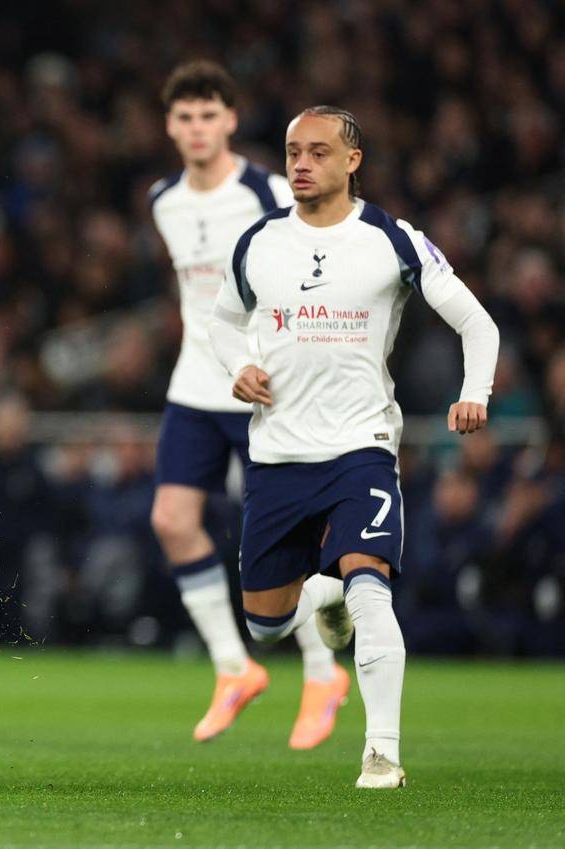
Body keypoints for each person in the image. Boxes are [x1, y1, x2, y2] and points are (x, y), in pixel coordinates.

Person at [208, 106, 499, 788]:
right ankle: (323, 596)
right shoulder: (259, 242)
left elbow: (476, 322)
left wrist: (475, 392)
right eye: (293, 153)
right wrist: (238, 365)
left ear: (352, 160)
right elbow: (222, 322)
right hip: (278, 455)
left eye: (318, 152)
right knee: (265, 626)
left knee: (371, 585)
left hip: (360, 448)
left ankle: (381, 752)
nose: (302, 164)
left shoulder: (392, 238)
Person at [147, 60, 345, 747]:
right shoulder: (163, 200)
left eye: (210, 115)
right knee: (172, 520)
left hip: (263, 386)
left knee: (284, 540)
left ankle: (323, 673)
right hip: (194, 385)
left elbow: (317, 269)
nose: (198, 128)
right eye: (185, 117)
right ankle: (235, 669)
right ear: (170, 126)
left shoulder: (268, 191)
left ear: (230, 120)